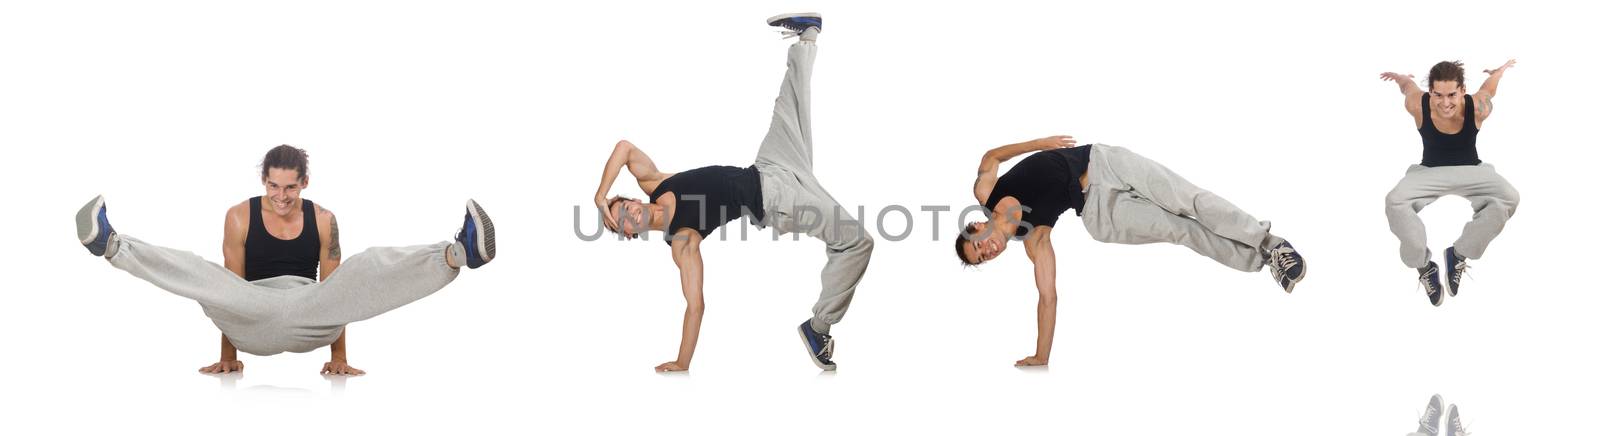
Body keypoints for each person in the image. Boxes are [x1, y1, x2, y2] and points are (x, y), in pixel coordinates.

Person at [593, 13, 871, 372]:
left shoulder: (655, 184)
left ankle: (807, 36)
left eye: (623, 208)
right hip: (775, 202)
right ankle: (818, 328)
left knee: (790, 103)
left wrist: (601, 197)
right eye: (622, 224)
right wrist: (682, 362)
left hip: (769, 164)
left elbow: (625, 148)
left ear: (631, 199)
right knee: (856, 241)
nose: (628, 215)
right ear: (630, 234)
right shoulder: (681, 241)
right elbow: (695, 306)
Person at [75, 145, 496, 375]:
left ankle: (458, 254)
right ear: (264, 181)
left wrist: (338, 357)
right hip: (251, 320)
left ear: (304, 183)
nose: (280, 196)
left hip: (310, 316)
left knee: (365, 266)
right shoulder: (239, 216)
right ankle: (112, 245)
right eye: (273, 186)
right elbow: (226, 290)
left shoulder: (325, 220)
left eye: (290, 188)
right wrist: (228, 355)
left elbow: (343, 295)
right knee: (202, 273)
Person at [956, 137, 1306, 366]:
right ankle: (1261, 260)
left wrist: (1043, 143)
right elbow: (1047, 297)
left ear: (976, 225)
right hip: (1098, 212)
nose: (987, 250)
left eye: (978, 245)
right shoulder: (1034, 240)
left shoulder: (987, 191)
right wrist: (1041, 357)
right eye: (983, 257)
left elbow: (991, 156)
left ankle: (1270, 244)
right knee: (1179, 229)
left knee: (1189, 199)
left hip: (1103, 163)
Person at [1379, 59, 1519, 306]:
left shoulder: (1478, 107)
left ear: (1463, 91)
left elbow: (1490, 88)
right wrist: (1400, 76)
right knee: (1394, 201)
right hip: (1429, 172)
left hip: (1472, 170)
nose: (1445, 103)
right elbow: (1408, 86)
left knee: (1510, 197)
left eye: (1452, 95)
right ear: (1430, 92)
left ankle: (1459, 254)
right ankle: (1424, 267)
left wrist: (1498, 72)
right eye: (1438, 95)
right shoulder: (1417, 104)